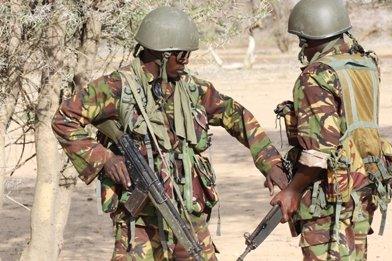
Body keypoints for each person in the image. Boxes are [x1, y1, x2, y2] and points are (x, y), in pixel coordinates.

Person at [52, 7, 287, 260]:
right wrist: (105, 158)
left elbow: (237, 116)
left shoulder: (192, 89)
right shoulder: (117, 87)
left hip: (187, 212)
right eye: (181, 55)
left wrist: (270, 162)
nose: (186, 61)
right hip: (140, 218)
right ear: (161, 55)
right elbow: (65, 118)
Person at [270, 0, 392, 260]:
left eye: (302, 40)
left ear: (311, 38)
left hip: (331, 195)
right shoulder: (365, 65)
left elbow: (319, 152)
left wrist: (293, 190)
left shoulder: (316, 75)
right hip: (365, 185)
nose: (301, 48)